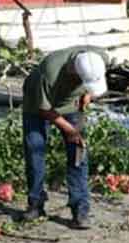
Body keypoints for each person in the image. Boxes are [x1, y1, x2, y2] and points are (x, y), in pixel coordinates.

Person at [18, 46, 111, 229]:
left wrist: (87, 94)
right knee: (35, 150)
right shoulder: (50, 72)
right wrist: (70, 130)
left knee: (78, 153)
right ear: (74, 72)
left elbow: (94, 77)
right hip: (36, 105)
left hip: (70, 105)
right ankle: (36, 204)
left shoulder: (99, 57)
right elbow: (44, 109)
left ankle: (80, 209)